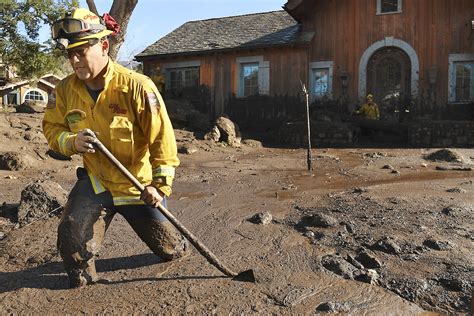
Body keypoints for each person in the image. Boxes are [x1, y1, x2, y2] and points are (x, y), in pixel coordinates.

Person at [43, 8, 189, 288]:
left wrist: (160, 186)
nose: (74, 60)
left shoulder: (137, 87)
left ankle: (174, 244)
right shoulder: (63, 91)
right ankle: (84, 282)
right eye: (69, 54)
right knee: (71, 235)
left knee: (170, 249)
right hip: (97, 183)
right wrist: (71, 142)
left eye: (81, 51)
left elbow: (162, 140)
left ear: (104, 46)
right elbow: (51, 129)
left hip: (138, 185)